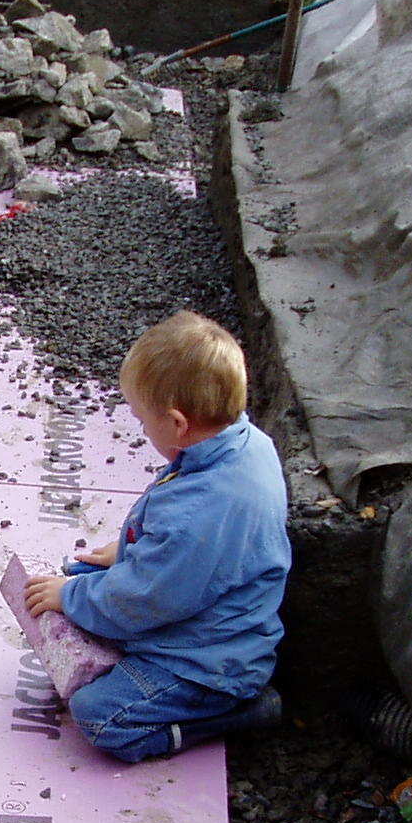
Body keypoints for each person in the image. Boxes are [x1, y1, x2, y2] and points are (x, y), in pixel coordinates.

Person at [24, 310, 288, 761]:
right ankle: (97, 612)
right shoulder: (243, 444)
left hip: (208, 664)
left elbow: (145, 599)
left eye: (143, 421)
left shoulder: (200, 511)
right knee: (77, 574)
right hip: (205, 610)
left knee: (98, 714)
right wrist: (124, 553)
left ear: (177, 423)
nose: (142, 429)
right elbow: (181, 562)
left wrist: (72, 598)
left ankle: (241, 712)